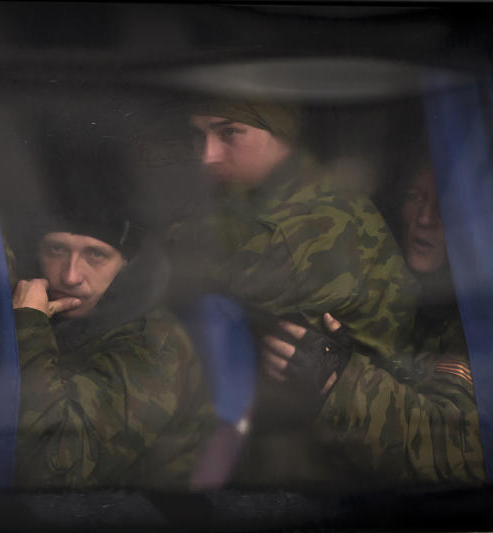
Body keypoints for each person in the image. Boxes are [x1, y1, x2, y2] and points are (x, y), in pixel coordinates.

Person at [167, 98, 420, 487]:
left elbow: (178, 265)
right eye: (198, 136)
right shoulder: (278, 189)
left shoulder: (300, 225)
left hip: (343, 457)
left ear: (280, 130)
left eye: (229, 133)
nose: (208, 156)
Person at [260, 157, 485, 486]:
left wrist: (338, 378)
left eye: (444, 205)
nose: (425, 219)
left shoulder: (474, 324)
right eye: (415, 198)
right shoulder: (385, 287)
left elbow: (454, 447)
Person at [11, 134, 215, 489]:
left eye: (95, 255)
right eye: (57, 249)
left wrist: (28, 328)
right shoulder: (46, 311)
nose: (71, 276)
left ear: (127, 264)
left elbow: (58, 467)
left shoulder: (153, 346)